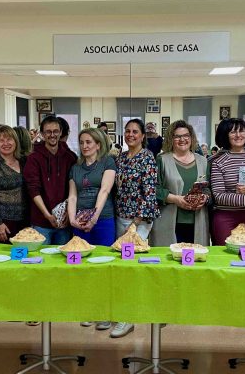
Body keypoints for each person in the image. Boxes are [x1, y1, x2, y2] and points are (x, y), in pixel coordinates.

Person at [108, 119, 159, 339]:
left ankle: (127, 318)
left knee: (129, 267)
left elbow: (149, 192)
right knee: (121, 266)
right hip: (120, 216)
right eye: (127, 131)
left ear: (142, 135)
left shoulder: (147, 157)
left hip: (138, 221)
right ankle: (119, 310)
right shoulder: (120, 158)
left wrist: (136, 224)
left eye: (135, 132)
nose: (130, 135)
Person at [152, 120, 210, 246]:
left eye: (186, 135)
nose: (182, 139)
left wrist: (205, 198)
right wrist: (175, 199)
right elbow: (153, 189)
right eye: (177, 136)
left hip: (197, 221)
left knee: (195, 260)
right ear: (171, 139)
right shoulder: (162, 159)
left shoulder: (203, 161)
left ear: (191, 138)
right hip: (169, 221)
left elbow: (208, 189)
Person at [23, 115, 77, 246]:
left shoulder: (70, 157)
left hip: (64, 222)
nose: (52, 135)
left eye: (56, 131)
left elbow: (74, 189)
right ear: (42, 133)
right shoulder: (33, 158)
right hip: (41, 221)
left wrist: (69, 214)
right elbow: (33, 189)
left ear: (60, 132)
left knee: (63, 261)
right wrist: (47, 215)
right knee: (41, 261)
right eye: (48, 132)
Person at [67, 128, 116, 246]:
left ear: (98, 145)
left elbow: (105, 191)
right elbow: (72, 196)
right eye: (81, 142)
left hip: (103, 218)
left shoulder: (107, 162)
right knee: (81, 257)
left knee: (104, 256)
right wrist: (72, 220)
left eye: (89, 142)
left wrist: (93, 219)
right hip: (81, 220)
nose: (84, 146)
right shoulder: (75, 168)